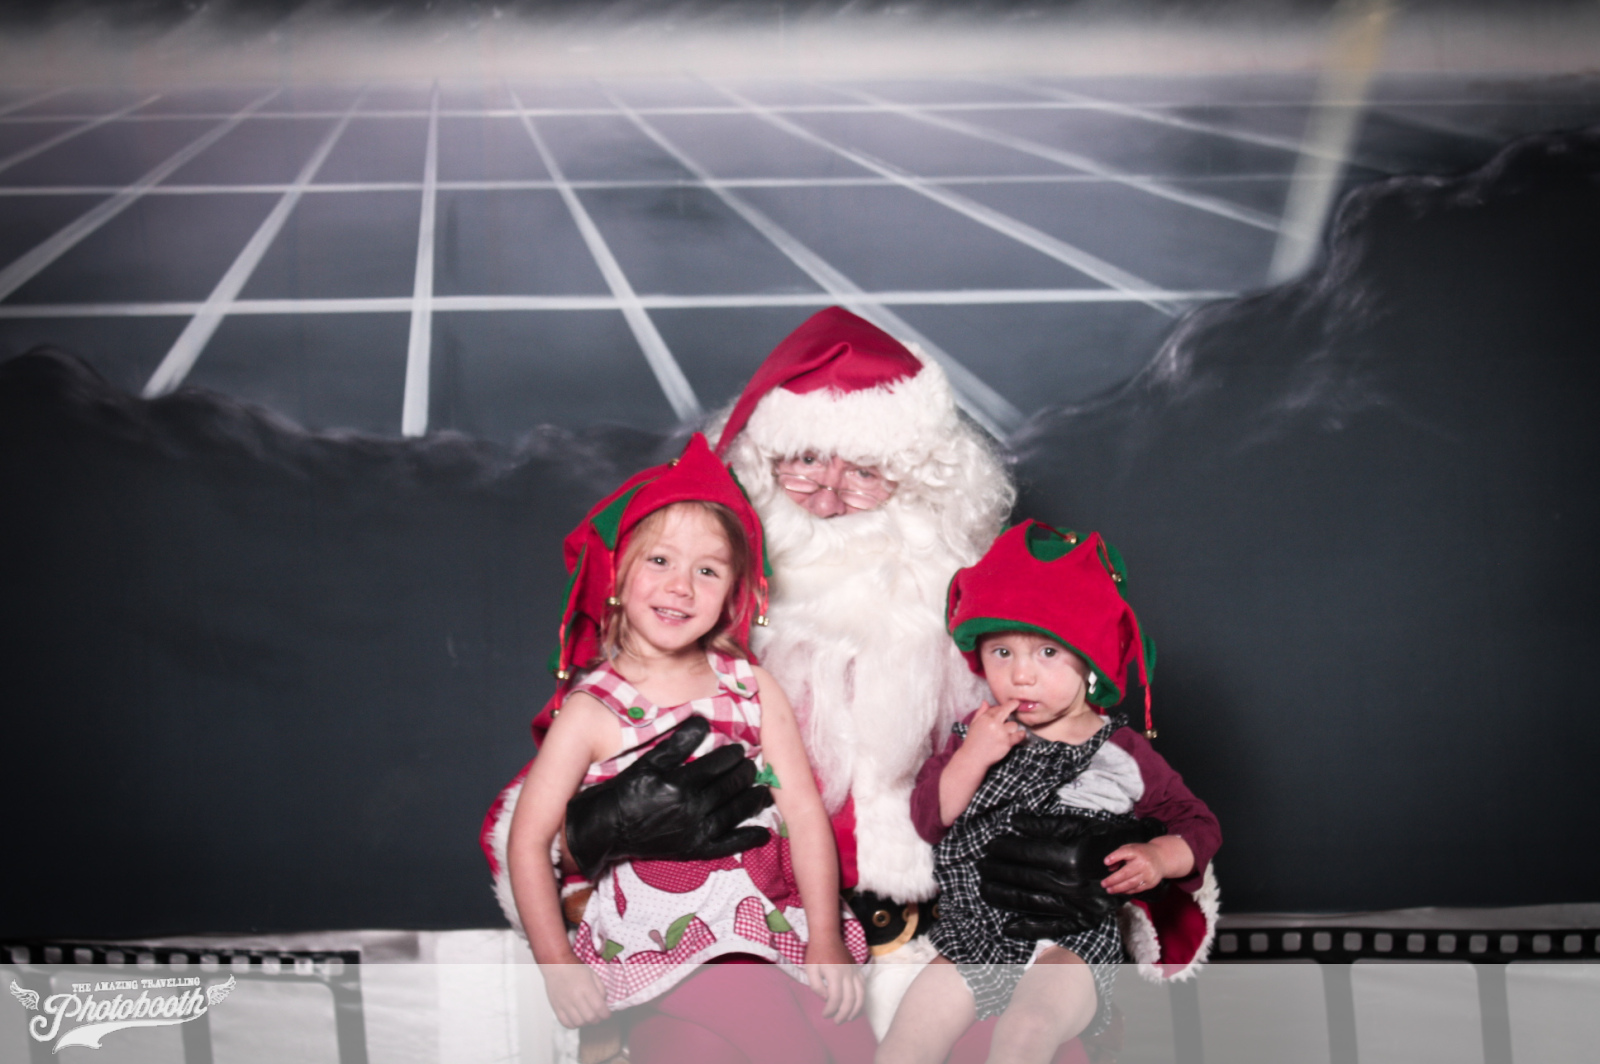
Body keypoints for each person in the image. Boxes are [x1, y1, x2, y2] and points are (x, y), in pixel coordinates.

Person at [498, 433, 874, 1062]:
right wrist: (557, 965)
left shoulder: (752, 687)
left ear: (732, 593)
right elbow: (528, 841)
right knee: (782, 1042)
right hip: (666, 935)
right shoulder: (594, 710)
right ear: (617, 574)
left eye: (707, 570)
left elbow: (804, 813)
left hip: (769, 913)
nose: (681, 587)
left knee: (846, 1036)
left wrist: (826, 935)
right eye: (660, 561)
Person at [880, 520, 1221, 1064]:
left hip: (1070, 942)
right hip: (975, 936)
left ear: (1089, 659)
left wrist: (1158, 856)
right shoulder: (977, 732)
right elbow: (929, 819)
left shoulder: (1122, 751)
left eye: (1046, 653)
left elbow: (1198, 826)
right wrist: (972, 757)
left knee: (1028, 1029)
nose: (1021, 676)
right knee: (908, 1036)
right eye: (1002, 653)